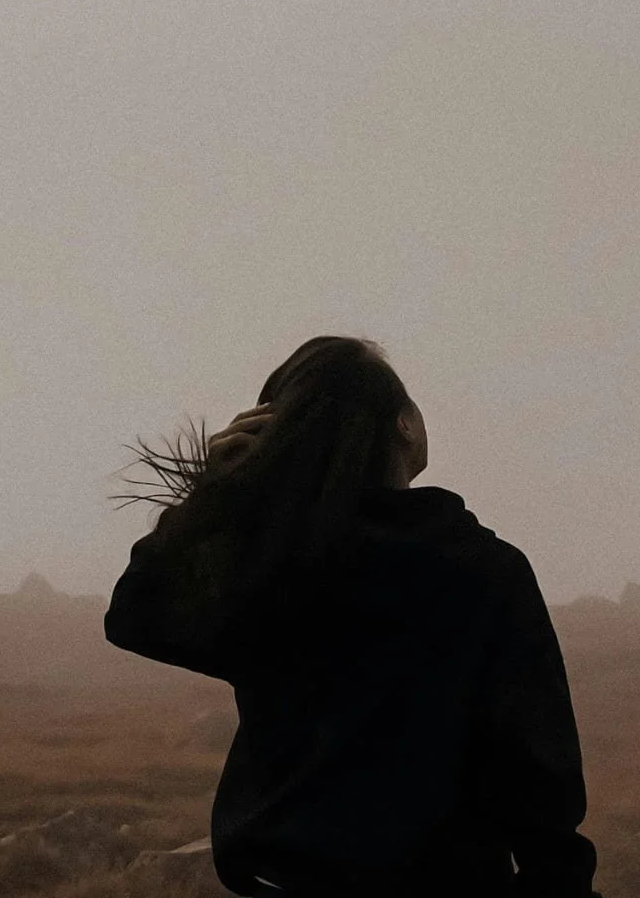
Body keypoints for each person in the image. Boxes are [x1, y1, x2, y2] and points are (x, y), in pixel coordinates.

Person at [104, 335, 601, 898]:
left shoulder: (277, 566)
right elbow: (539, 771)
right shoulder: (485, 570)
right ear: (404, 425)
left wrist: (211, 495)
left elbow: (135, 617)